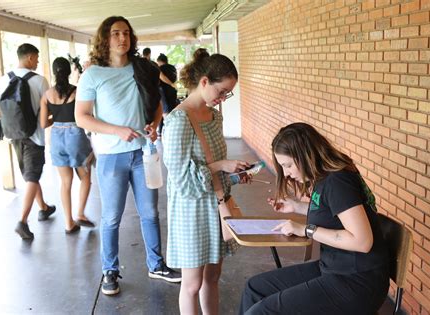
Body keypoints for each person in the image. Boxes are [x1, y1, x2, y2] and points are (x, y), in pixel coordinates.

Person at [75, 16, 181, 296]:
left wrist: (154, 125)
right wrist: (116, 130)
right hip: (111, 156)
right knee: (111, 217)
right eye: (115, 33)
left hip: (144, 152)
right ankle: (110, 271)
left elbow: (157, 103)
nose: (122, 38)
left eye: (126, 33)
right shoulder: (93, 74)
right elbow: (81, 117)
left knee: (150, 213)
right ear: (105, 39)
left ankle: (156, 265)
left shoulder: (143, 68)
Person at [239, 122, 390, 315]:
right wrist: (297, 207)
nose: (287, 173)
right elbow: (333, 213)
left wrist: (306, 229)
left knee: (261, 312)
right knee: (254, 288)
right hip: (333, 268)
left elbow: (362, 242)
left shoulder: (337, 180)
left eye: (288, 165)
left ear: (305, 155)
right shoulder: (323, 177)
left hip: (357, 282)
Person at [163, 53, 249, 314]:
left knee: (212, 277)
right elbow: (180, 179)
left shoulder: (215, 117)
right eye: (222, 91)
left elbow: (214, 162)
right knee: (192, 284)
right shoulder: (178, 120)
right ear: (203, 81)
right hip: (191, 210)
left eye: (228, 94)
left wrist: (233, 173)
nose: (223, 99)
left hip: (215, 204)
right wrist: (222, 166)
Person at [0, 43, 56, 240]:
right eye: (37, 58)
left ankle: (44, 207)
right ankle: (22, 221)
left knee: (31, 175)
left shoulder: (3, 79)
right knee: (32, 177)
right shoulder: (40, 81)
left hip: (14, 135)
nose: (38, 62)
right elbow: (46, 115)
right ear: (30, 57)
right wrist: (53, 121)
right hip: (34, 137)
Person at [39, 57, 94, 234]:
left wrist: (56, 117)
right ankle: (80, 214)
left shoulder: (47, 95)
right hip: (75, 138)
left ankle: (68, 223)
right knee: (85, 177)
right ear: (69, 72)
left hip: (56, 139)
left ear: (54, 72)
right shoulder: (77, 92)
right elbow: (86, 115)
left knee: (65, 182)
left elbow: (43, 124)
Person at [156, 53, 178, 133]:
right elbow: (175, 79)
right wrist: (172, 85)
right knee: (172, 110)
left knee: (164, 112)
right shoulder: (173, 68)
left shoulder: (160, 68)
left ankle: (163, 131)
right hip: (172, 91)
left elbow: (161, 78)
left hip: (164, 92)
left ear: (159, 61)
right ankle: (173, 129)